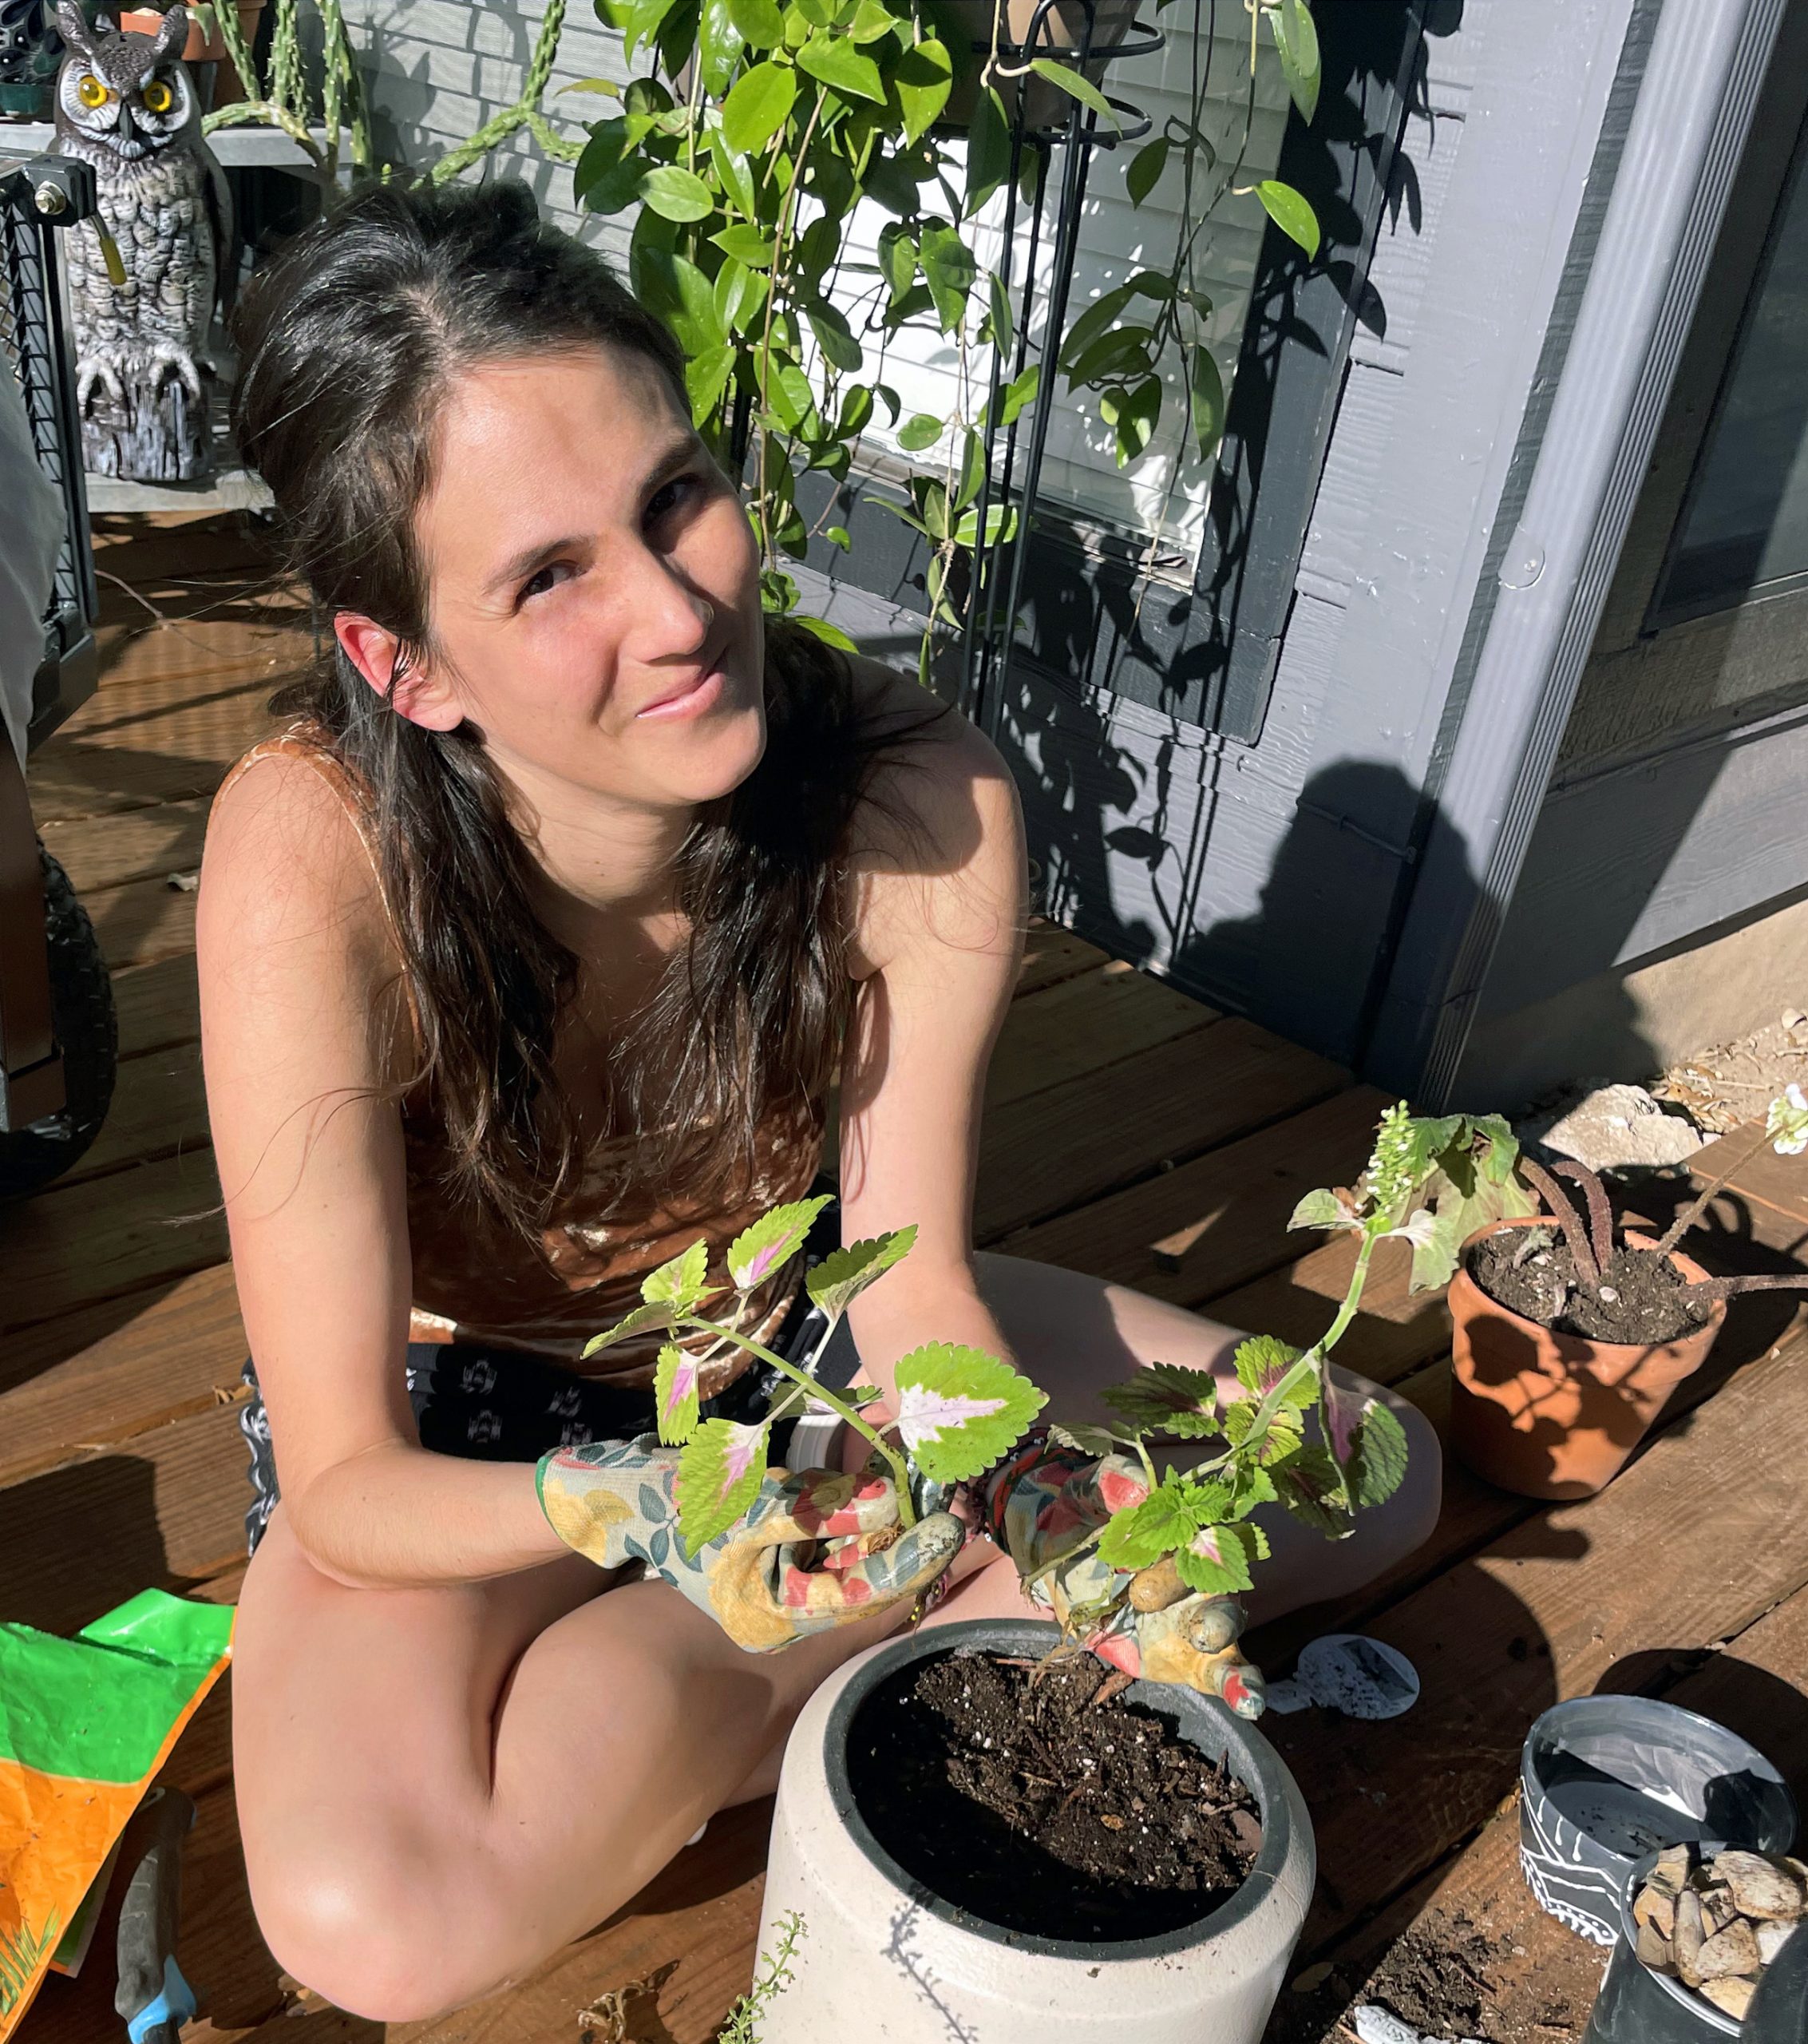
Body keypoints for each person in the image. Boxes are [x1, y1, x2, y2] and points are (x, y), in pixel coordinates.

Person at [198, 180, 1440, 2023]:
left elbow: (906, 1284)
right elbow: (353, 1482)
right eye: (548, 577)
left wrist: (993, 1469)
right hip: (466, 1432)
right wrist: (647, 1511)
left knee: (1371, 1483)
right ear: (403, 663)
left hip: (803, 1360)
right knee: (370, 1914)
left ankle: (822, 1613)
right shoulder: (315, 858)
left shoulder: (911, 804)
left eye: (675, 495)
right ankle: (881, 1619)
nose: (682, 608)